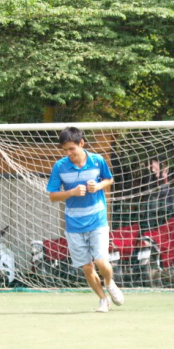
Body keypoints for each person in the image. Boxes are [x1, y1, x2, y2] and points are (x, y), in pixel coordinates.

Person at [47, 127, 124, 313]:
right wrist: (71, 192)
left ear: (81, 144)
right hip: (73, 224)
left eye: (71, 149)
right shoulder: (59, 166)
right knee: (87, 267)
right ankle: (103, 300)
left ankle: (109, 282)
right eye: (65, 150)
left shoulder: (97, 160)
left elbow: (109, 180)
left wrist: (97, 186)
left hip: (97, 221)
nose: (69, 154)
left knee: (101, 262)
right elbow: (53, 196)